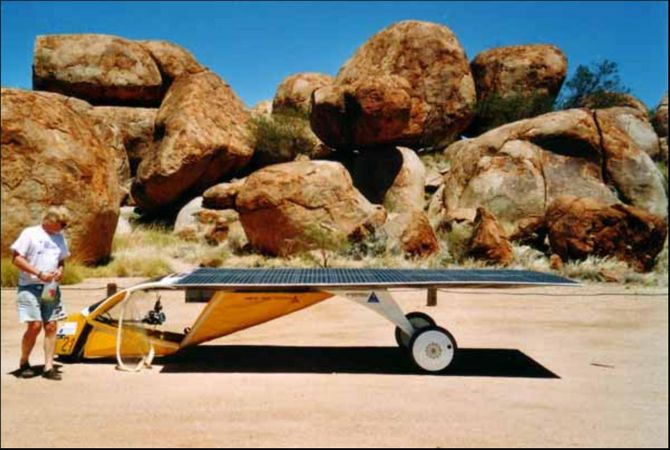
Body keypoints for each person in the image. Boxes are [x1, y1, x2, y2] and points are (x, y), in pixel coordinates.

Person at [10, 206, 71, 380]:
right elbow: (16, 258)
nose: (63, 227)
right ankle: (24, 362)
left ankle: (48, 367)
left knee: (51, 325)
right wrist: (38, 273)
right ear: (50, 220)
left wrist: (60, 270)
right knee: (35, 325)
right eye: (61, 224)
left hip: (50, 287)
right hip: (30, 286)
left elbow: (61, 260)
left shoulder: (59, 237)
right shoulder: (30, 234)